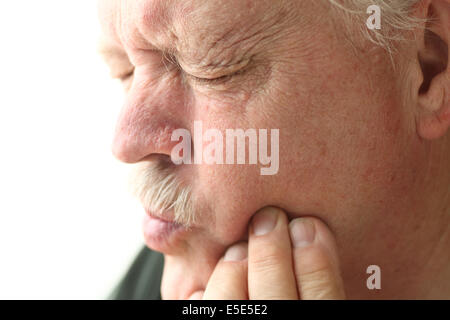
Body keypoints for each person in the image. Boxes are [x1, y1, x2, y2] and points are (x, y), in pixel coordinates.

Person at [98, 0, 450, 299]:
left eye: (211, 69)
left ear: (429, 64)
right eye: (124, 71)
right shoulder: (165, 263)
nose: (126, 143)